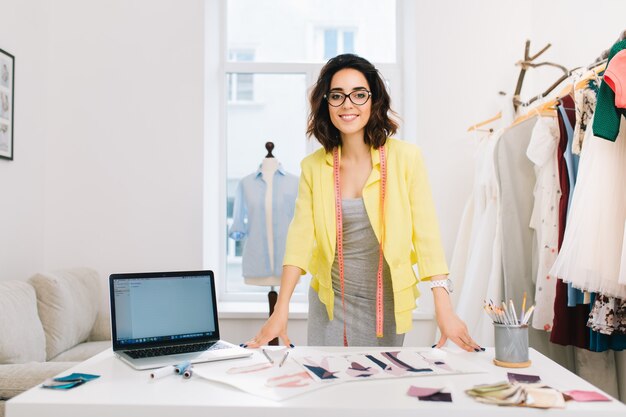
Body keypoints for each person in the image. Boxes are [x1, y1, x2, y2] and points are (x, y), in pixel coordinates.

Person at [245, 54, 480, 351]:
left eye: (359, 94)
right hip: (331, 304)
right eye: (337, 95)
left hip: (386, 303)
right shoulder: (313, 167)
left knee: (381, 390)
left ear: (374, 100)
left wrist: (443, 309)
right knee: (327, 390)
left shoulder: (405, 159)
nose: (348, 104)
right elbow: (300, 240)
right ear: (325, 102)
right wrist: (281, 310)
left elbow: (427, 238)